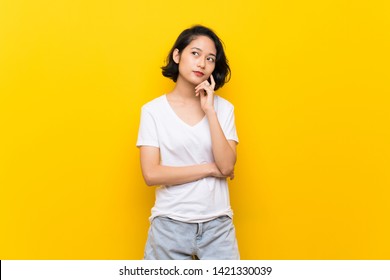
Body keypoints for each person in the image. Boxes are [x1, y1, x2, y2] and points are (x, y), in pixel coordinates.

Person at [136, 25, 239, 260]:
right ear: (177, 55)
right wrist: (208, 168)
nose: (202, 63)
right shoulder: (153, 111)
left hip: (218, 227)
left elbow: (227, 166)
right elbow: (151, 174)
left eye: (210, 58)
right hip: (169, 226)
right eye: (195, 53)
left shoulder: (223, 109)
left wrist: (210, 111)